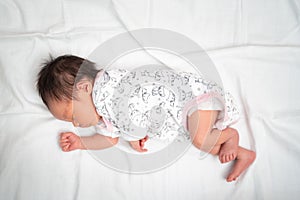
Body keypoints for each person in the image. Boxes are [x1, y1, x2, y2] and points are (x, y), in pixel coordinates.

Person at [37, 54, 256, 182]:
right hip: (184, 119)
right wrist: (81, 143)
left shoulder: (107, 87)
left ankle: (231, 135)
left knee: (200, 139)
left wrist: (133, 135)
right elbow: (110, 139)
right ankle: (242, 153)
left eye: (72, 115)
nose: (76, 123)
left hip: (190, 98)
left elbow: (131, 105)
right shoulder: (104, 118)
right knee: (203, 143)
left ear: (84, 87)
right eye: (70, 123)